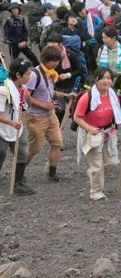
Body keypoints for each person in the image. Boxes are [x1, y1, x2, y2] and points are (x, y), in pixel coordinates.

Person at [73, 67, 121, 200]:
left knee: (113, 162)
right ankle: (95, 192)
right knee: (97, 166)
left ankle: (94, 173)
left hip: (108, 132)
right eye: (103, 78)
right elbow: (77, 117)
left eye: (109, 78)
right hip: (91, 134)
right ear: (96, 79)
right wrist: (89, 128)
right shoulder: (87, 97)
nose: (106, 81)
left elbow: (116, 113)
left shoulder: (113, 95)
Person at [25, 45, 74, 182]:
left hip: (50, 115)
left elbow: (49, 91)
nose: (58, 64)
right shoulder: (35, 74)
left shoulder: (50, 73)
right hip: (36, 117)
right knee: (34, 149)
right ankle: (19, 173)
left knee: (57, 143)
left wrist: (65, 95)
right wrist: (43, 105)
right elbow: (26, 95)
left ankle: (52, 173)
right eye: (56, 61)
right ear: (47, 60)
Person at [0, 59, 35, 195]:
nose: (30, 76)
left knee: (22, 155)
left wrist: (29, 99)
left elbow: (25, 108)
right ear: (18, 75)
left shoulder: (23, 89)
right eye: (27, 74)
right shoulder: (3, 90)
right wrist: (11, 123)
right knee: (0, 154)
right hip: (3, 130)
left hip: (17, 130)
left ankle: (18, 183)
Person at [46, 32, 83, 124]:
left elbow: (79, 70)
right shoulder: (47, 56)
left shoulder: (70, 54)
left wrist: (68, 75)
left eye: (54, 42)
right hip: (57, 87)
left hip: (71, 87)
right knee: (60, 110)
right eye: (50, 42)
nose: (52, 45)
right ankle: (58, 131)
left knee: (75, 110)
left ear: (61, 44)